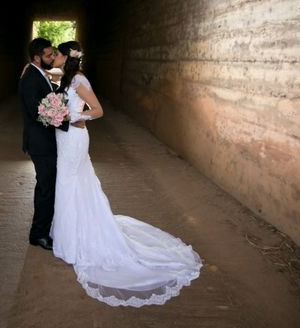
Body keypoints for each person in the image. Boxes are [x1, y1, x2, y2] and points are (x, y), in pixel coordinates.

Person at [50, 41, 202, 307]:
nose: (53, 57)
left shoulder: (79, 80)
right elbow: (49, 78)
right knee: (68, 185)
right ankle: (68, 238)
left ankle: (73, 244)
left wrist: (70, 115)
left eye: (57, 53)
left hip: (75, 137)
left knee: (68, 183)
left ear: (66, 57)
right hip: (63, 139)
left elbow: (97, 110)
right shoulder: (66, 78)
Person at [18, 38, 76, 250]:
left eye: (53, 54)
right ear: (36, 58)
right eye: (48, 55)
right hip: (40, 144)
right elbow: (37, 112)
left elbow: (52, 95)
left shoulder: (39, 73)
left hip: (46, 142)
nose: (52, 58)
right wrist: (66, 120)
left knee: (47, 186)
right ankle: (39, 234)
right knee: (46, 188)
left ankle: (42, 229)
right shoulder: (30, 79)